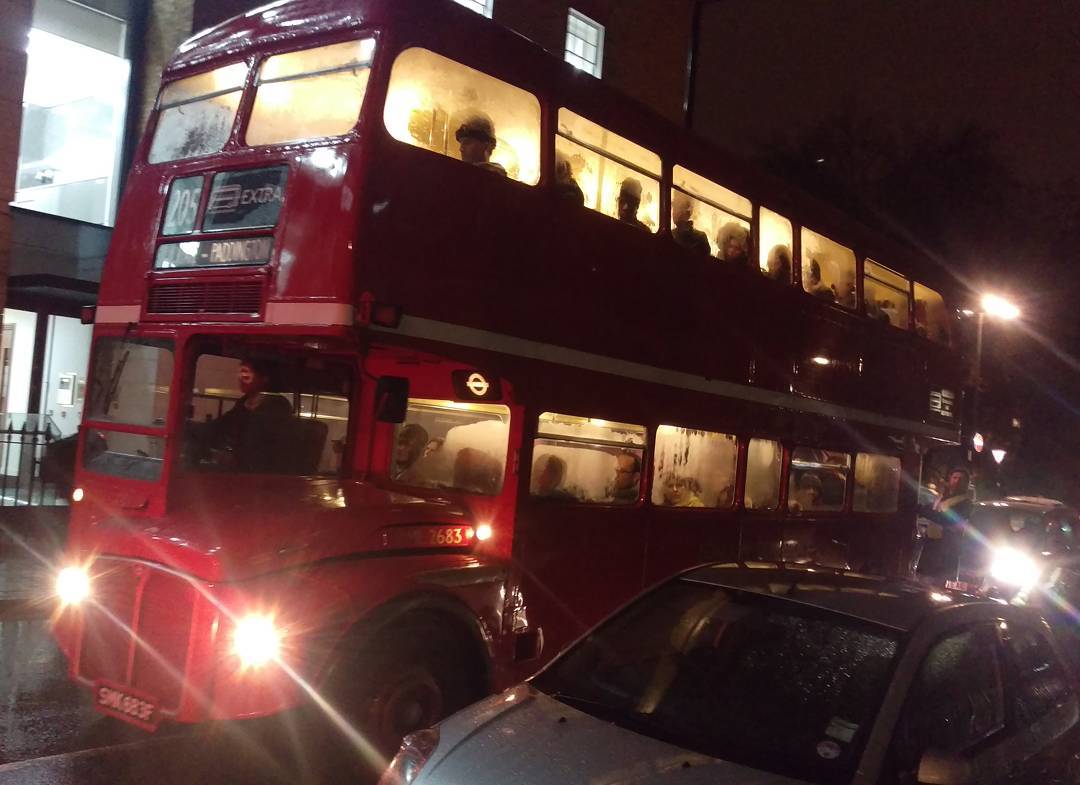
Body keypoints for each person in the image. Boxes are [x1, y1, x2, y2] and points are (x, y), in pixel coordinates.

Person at [199, 358, 292, 473]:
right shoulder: (243, 403)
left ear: (264, 378)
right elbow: (222, 424)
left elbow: (266, 444)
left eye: (246, 376)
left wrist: (235, 458)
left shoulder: (277, 405)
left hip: (261, 472)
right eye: (240, 375)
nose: (241, 380)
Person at [917, 467, 972, 582]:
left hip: (948, 545)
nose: (957, 481)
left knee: (942, 580)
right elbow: (931, 510)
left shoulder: (965, 502)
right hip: (932, 542)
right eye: (955, 477)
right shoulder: (942, 497)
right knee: (923, 577)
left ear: (966, 483)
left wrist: (925, 511)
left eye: (961, 479)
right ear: (950, 479)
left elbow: (948, 519)